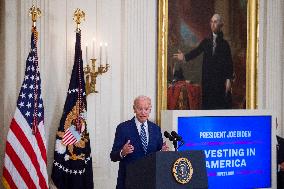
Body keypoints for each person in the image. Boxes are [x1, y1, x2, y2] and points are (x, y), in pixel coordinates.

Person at [173, 13, 233, 109]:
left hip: (220, 81)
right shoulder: (206, 42)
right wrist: (184, 57)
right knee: (208, 105)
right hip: (207, 80)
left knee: (220, 105)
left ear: (221, 25)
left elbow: (229, 63)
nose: (213, 24)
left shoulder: (225, 45)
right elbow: (196, 51)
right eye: (211, 22)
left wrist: (228, 79)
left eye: (215, 22)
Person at [110, 95, 169, 189]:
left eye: (146, 109)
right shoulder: (123, 128)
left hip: (151, 180)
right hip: (129, 180)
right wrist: (123, 152)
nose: (143, 112)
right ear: (134, 109)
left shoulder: (156, 129)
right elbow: (113, 156)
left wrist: (162, 152)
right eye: (140, 109)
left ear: (150, 110)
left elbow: (158, 154)